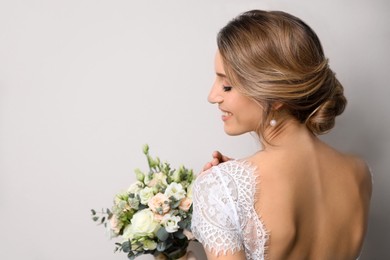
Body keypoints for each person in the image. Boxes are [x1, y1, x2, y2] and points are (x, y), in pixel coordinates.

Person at [190, 10, 372, 260]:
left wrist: (219, 195)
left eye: (227, 85)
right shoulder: (359, 173)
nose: (213, 96)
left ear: (275, 95)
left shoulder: (219, 187)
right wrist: (231, 199)